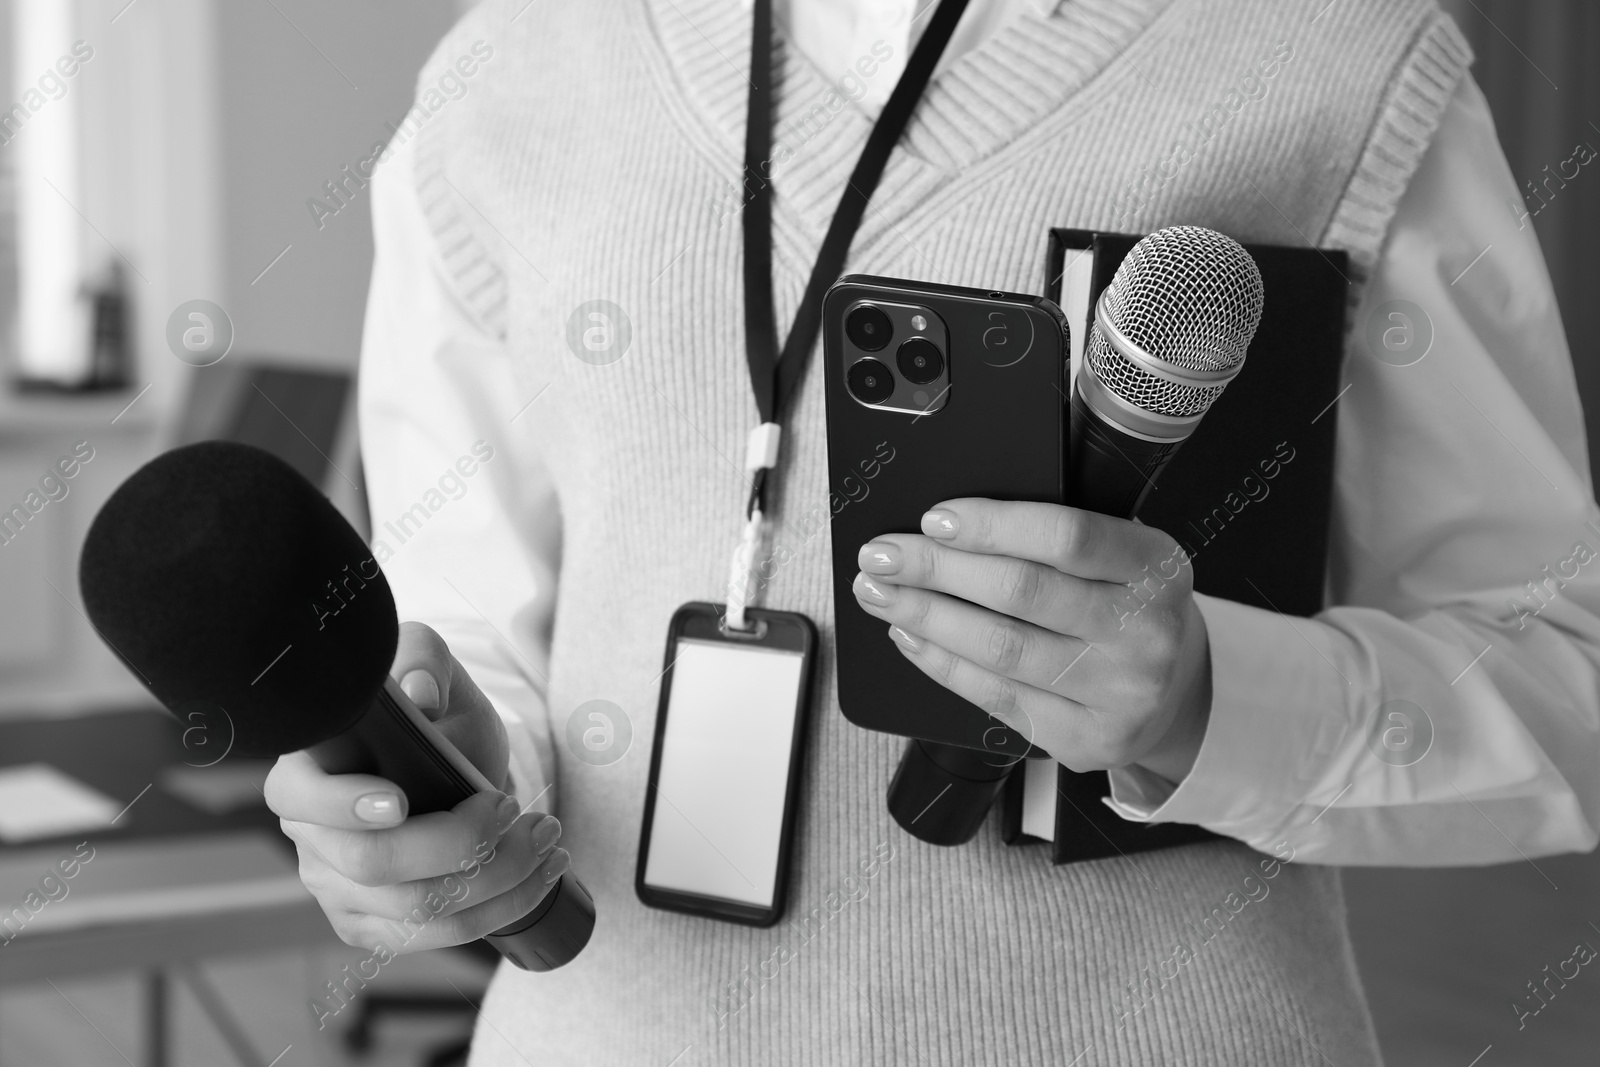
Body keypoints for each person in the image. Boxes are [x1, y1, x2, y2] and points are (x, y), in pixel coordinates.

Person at [265, 0, 1600, 1062]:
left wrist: (1208, 702)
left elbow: (1565, 677)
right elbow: (476, 638)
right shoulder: (501, 78)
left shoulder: (1340, 54)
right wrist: (441, 791)